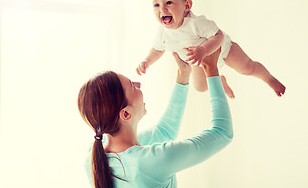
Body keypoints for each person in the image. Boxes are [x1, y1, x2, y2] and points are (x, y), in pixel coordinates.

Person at [77, 49, 233, 188]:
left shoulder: (93, 158)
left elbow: (164, 131)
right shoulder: (148, 163)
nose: (138, 84)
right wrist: (211, 70)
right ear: (125, 114)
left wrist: (183, 75)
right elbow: (222, 133)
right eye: (132, 85)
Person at [136, 0, 286, 98]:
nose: (162, 9)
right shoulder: (163, 33)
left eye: (169, 2)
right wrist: (147, 61)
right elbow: (157, 50)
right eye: (156, 5)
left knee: (247, 67)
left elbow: (219, 36)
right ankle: (220, 82)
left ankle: (269, 78)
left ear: (187, 6)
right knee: (200, 87)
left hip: (223, 50)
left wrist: (203, 50)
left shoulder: (196, 23)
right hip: (198, 61)